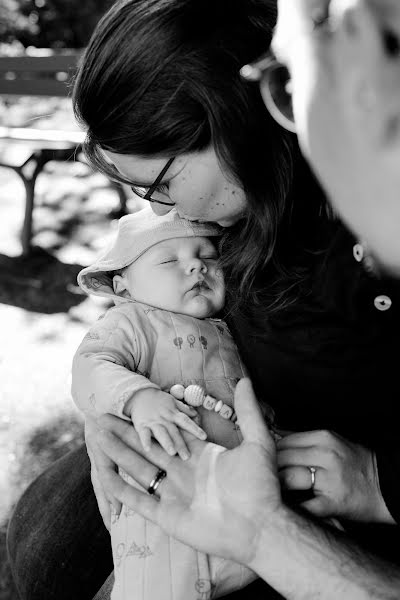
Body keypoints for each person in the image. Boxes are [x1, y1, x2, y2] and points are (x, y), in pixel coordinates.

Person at [6, 0, 400, 599]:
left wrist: (380, 484)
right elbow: (143, 303)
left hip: (319, 490)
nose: (158, 211)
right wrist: (113, 407)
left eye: (161, 184)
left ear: (233, 117)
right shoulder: (235, 198)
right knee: (42, 545)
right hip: (211, 431)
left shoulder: (372, 219)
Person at [71, 206, 258, 600]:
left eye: (207, 256)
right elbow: (89, 366)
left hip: (238, 486)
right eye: (170, 259)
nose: (197, 267)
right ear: (124, 288)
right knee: (159, 579)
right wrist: (137, 397)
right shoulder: (131, 323)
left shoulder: (229, 327)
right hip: (159, 488)